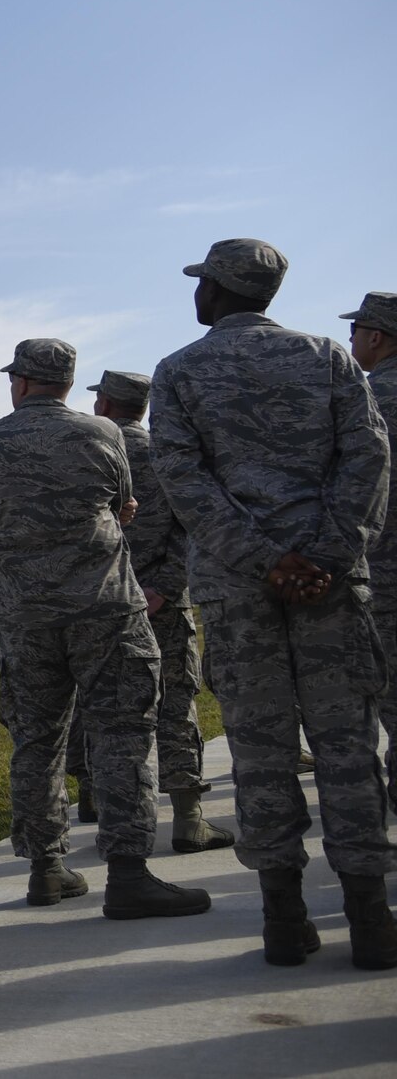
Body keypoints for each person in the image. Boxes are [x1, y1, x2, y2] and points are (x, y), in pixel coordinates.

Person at [152, 242, 394, 969]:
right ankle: (371, 916)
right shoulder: (329, 357)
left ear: (220, 292)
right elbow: (368, 456)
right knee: (348, 747)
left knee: (260, 752)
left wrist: (264, 557)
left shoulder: (180, 370)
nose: (196, 294)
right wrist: (326, 550)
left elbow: (182, 478)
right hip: (330, 582)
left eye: (201, 283)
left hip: (238, 586)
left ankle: (285, 917)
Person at [0, 337, 209, 919]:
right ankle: (128, 873)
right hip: (103, 609)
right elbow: (124, 508)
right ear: (69, 386)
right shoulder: (103, 436)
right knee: (122, 734)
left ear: (21, 382)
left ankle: (46, 869)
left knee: (37, 740)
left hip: (25, 617)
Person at [88, 368, 235, 855]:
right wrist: (167, 588)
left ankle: (104, 808)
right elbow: (192, 525)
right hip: (162, 602)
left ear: (106, 405)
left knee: (106, 709)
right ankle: (189, 819)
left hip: (101, 600)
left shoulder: (89, 451)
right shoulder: (164, 453)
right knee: (175, 705)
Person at [342, 292, 397, 816]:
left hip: (385, 576)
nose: (351, 339)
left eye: (356, 329)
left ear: (376, 335)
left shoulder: (368, 400)